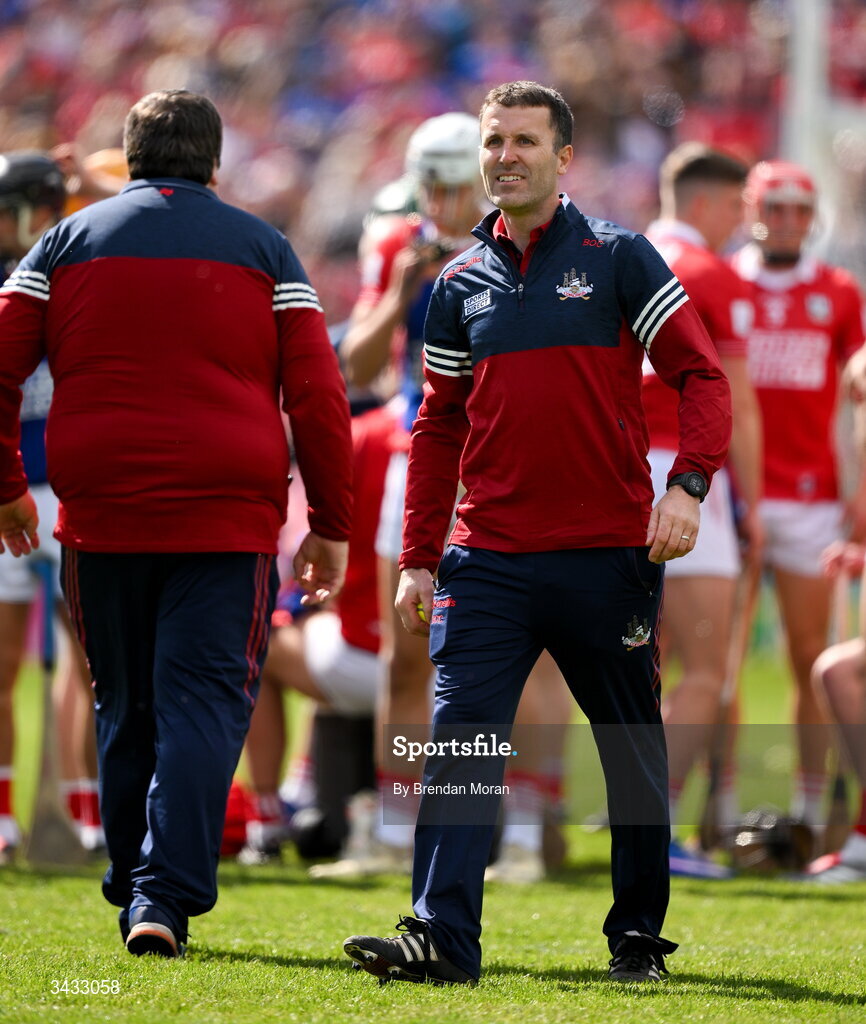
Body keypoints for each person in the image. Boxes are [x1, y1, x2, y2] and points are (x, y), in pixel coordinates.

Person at [342, 80, 732, 986]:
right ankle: (442, 938)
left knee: (631, 746)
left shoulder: (623, 256)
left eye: (524, 141)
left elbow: (701, 376)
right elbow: (437, 429)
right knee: (464, 741)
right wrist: (418, 557)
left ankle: (637, 937)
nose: (505, 156)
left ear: (563, 158)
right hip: (488, 560)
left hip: (607, 556)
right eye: (493, 141)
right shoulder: (455, 285)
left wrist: (687, 488)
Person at [0, 90, 353, 956]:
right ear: (214, 163)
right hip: (225, 514)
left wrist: (8, 482)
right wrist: (332, 521)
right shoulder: (265, 248)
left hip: (100, 509)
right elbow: (317, 395)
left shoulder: (62, 243)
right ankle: (160, 893)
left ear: (130, 154)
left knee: (124, 702)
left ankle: (138, 886)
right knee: (201, 703)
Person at [731, 160, 866, 851]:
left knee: (813, 659)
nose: (786, 220)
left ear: (813, 217)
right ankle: (718, 814)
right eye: (774, 206)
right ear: (751, 208)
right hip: (736, 498)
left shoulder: (839, 293)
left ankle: (816, 815)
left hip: (814, 501)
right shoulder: (722, 285)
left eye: (799, 208)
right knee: (719, 666)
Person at [642, 143, 763, 877]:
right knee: (706, 669)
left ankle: (536, 821)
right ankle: (653, 831)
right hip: (684, 472)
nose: (741, 221)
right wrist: (751, 500)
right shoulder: (712, 273)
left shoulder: (619, 252)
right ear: (706, 203)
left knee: (617, 662)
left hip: (620, 471)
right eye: (738, 205)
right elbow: (737, 401)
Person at [0, 150, 100, 860]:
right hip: (10, 491)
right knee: (4, 665)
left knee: (96, 660)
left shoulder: (74, 270)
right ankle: (8, 818)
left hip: (67, 489)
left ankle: (87, 812)